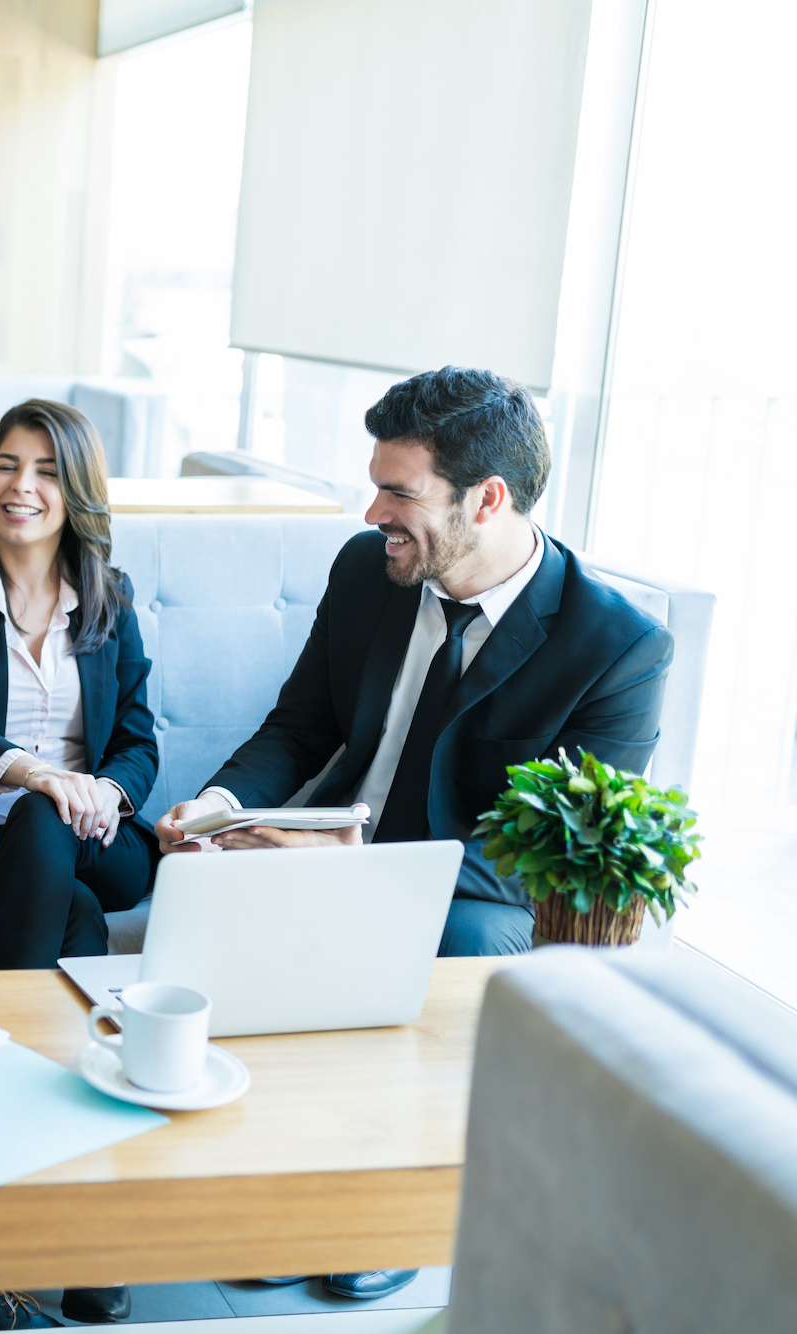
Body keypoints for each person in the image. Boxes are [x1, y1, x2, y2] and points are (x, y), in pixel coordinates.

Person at [154, 364, 672, 1304]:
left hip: (475, 892)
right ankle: (275, 1187)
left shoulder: (616, 647)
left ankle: (385, 1211)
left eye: (399, 492)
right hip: (338, 839)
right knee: (228, 881)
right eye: (376, 483)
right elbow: (300, 726)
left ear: (489, 500)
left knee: (453, 937)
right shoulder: (370, 572)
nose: (370, 513)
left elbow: (559, 856)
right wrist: (223, 805)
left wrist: (364, 868)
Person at [0, 400, 161, 970]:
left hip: (97, 835)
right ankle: (73, 1045)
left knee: (46, 815)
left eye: (47, 472)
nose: (21, 486)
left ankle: (0, 1039)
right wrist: (38, 775)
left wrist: (105, 794)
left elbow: (137, 740)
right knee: (76, 908)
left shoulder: (110, 598)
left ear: (78, 492)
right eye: (7, 465)